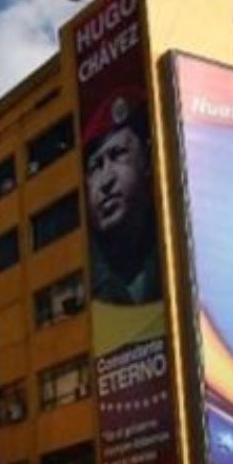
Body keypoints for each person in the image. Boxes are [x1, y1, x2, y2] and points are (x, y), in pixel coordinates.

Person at [83, 88, 162, 305]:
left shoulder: (175, 246)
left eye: (118, 155)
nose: (106, 180)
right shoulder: (88, 272)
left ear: (147, 159)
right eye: (95, 167)